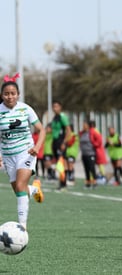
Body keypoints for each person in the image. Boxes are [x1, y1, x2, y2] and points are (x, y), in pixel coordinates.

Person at [0, 73, 45, 229]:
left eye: (13, 93)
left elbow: (41, 130)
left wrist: (37, 147)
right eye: (6, 94)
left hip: (26, 152)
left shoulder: (25, 109)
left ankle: (22, 228)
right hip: (8, 155)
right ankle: (34, 189)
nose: (10, 96)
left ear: (18, 94)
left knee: (20, 187)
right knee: (19, 190)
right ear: (2, 95)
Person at [51, 100, 72, 191]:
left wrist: (64, 142)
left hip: (61, 142)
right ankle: (61, 183)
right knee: (58, 164)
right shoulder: (55, 117)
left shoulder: (62, 117)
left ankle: (64, 184)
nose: (54, 108)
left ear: (60, 107)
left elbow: (68, 130)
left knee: (61, 163)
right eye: (53, 106)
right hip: (55, 142)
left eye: (56, 106)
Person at [79, 121, 98, 189]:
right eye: (83, 125)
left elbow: (98, 140)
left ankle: (95, 182)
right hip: (84, 154)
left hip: (91, 153)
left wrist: (94, 145)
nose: (83, 126)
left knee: (91, 168)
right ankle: (88, 182)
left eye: (85, 125)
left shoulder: (91, 132)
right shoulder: (82, 133)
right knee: (86, 169)